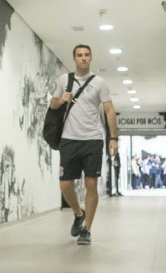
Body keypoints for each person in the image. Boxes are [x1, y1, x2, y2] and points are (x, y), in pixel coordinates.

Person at [49, 44, 119, 245]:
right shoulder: (65, 80)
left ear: (91, 58)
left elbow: (109, 111)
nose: (83, 58)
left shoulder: (99, 83)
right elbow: (52, 104)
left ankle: (87, 229)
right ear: (74, 58)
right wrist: (60, 100)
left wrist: (113, 138)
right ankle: (79, 213)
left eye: (87, 55)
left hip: (92, 139)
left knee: (91, 184)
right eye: (80, 55)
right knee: (65, 185)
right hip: (69, 139)